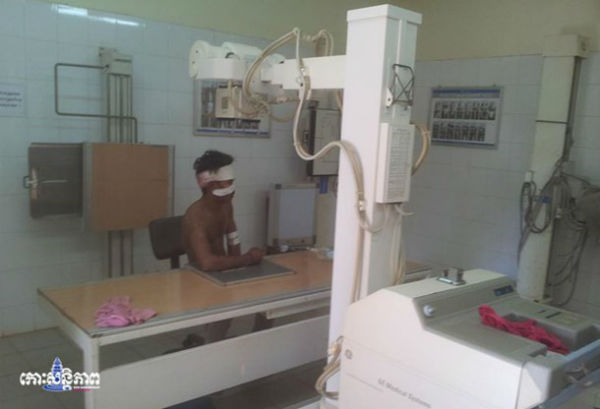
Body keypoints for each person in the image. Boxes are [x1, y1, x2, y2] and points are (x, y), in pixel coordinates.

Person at [183, 150, 269, 341]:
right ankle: (212, 348)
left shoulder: (225, 205)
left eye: (231, 182)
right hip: (200, 276)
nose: (231, 188)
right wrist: (248, 259)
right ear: (209, 184)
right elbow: (206, 263)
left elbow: (233, 237)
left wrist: (241, 269)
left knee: (267, 292)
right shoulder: (195, 217)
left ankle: (261, 340)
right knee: (223, 313)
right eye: (225, 183)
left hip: (223, 270)